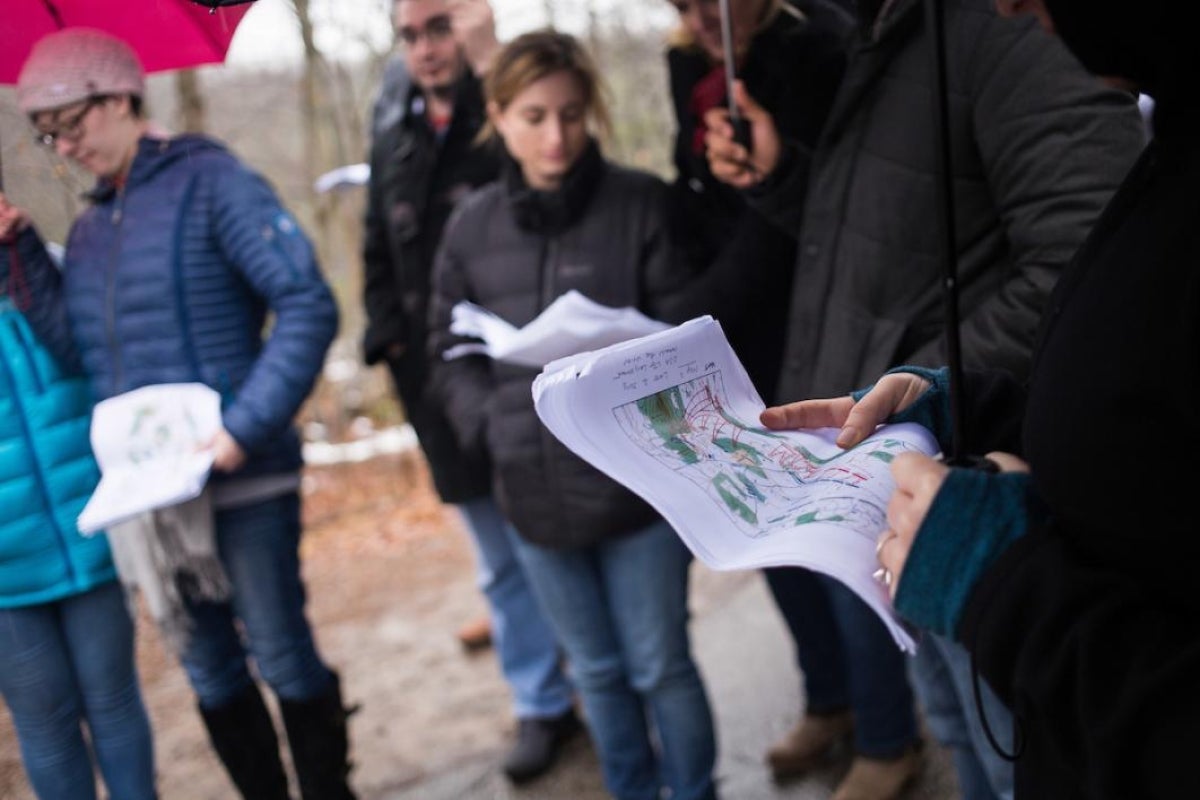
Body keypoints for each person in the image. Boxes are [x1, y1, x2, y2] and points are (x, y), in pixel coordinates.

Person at [703, 1, 1144, 797]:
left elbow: (1084, 263)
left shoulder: (1011, 26)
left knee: (1011, 748)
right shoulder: (878, 35)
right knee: (951, 723)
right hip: (901, 469)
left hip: (985, 499)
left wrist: (940, 390)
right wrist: (783, 182)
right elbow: (882, 236)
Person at [0, 29, 351, 800]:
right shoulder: (92, 227)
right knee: (212, 671)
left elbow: (305, 304)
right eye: (49, 133)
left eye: (74, 123)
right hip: (156, 505)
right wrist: (19, 251)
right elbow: (77, 354)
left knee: (282, 654)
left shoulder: (213, 183)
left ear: (122, 97)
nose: (65, 146)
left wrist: (243, 428)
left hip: (243, 479)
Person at [429, 30, 718, 800]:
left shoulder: (640, 203)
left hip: (639, 489)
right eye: (532, 116)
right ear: (497, 116)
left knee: (660, 664)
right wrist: (487, 423)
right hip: (532, 492)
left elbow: (687, 337)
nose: (555, 136)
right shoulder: (471, 226)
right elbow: (447, 345)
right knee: (595, 670)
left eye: (571, 114)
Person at [362, 0, 578, 781]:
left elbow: (560, 202)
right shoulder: (394, 134)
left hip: (531, 386)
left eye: (440, 26)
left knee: (556, 543)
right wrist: (389, 342)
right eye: (410, 35)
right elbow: (376, 250)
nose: (425, 48)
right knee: (498, 562)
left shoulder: (517, 121)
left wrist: (496, 71)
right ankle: (541, 702)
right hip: (438, 388)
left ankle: (596, 684)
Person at [0, 288, 156, 800]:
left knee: (114, 700)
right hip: (7, 581)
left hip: (91, 538)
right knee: (45, 722)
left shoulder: (46, 274)